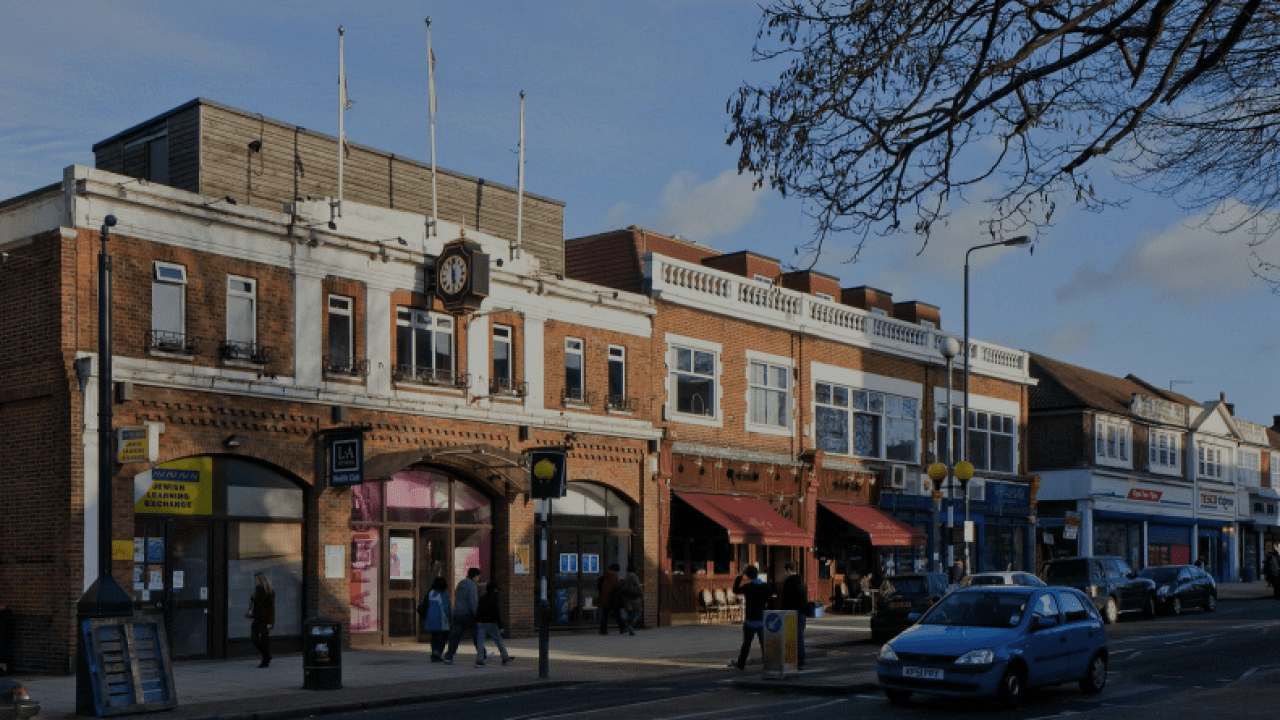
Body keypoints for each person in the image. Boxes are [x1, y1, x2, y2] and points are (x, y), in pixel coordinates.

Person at [729, 565, 774, 671]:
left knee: (746, 644)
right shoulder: (765, 587)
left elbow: (735, 590)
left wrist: (740, 576)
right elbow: (771, 601)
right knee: (764, 644)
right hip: (761, 619)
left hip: (750, 619)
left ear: (748, 575)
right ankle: (768, 664)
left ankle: (741, 664)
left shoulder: (748, 587)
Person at [442, 567, 481, 665]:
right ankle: (482, 655)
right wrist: (476, 613)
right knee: (477, 636)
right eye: (478, 576)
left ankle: (449, 656)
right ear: (476, 576)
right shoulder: (472, 585)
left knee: (455, 637)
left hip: (458, 613)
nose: (478, 578)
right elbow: (473, 601)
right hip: (468, 614)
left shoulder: (461, 583)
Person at [777, 561, 809, 669]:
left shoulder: (789, 582)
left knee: (791, 637)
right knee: (800, 637)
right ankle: (801, 660)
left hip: (791, 612)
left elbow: (785, 599)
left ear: (788, 570)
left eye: (784, 571)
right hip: (802, 612)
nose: (784, 573)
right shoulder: (802, 581)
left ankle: (792, 660)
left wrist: (782, 612)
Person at [474, 580, 513, 666]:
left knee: (480, 641)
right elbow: (496, 612)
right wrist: (500, 625)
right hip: (491, 622)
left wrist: (476, 620)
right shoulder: (495, 598)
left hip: (481, 622)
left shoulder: (482, 598)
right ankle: (505, 657)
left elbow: (478, 610)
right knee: (498, 640)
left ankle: (479, 659)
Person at [417, 576, 451, 662]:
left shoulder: (429, 593)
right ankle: (438, 652)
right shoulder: (444, 594)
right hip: (441, 619)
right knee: (444, 636)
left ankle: (434, 653)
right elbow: (447, 608)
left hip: (430, 619)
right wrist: (450, 618)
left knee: (434, 637)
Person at [247, 572, 275, 668]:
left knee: (264, 640)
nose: (256, 582)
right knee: (254, 639)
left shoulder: (269, 591)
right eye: (255, 580)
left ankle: (265, 660)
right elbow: (252, 604)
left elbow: (271, 608)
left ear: (262, 580)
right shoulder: (256, 591)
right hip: (257, 618)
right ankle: (267, 656)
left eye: (258, 580)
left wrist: (270, 622)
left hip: (265, 619)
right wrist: (250, 612)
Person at [597, 563, 624, 635]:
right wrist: (623, 583)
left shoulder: (606, 574)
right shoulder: (613, 575)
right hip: (612, 598)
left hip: (605, 597)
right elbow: (617, 584)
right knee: (617, 614)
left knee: (605, 615)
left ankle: (602, 630)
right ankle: (622, 628)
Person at [621, 564, 643, 635]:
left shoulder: (626, 577)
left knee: (630, 613)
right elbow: (638, 586)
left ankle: (629, 626)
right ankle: (629, 624)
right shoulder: (634, 577)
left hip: (627, 598)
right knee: (637, 613)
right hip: (634, 598)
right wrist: (641, 592)